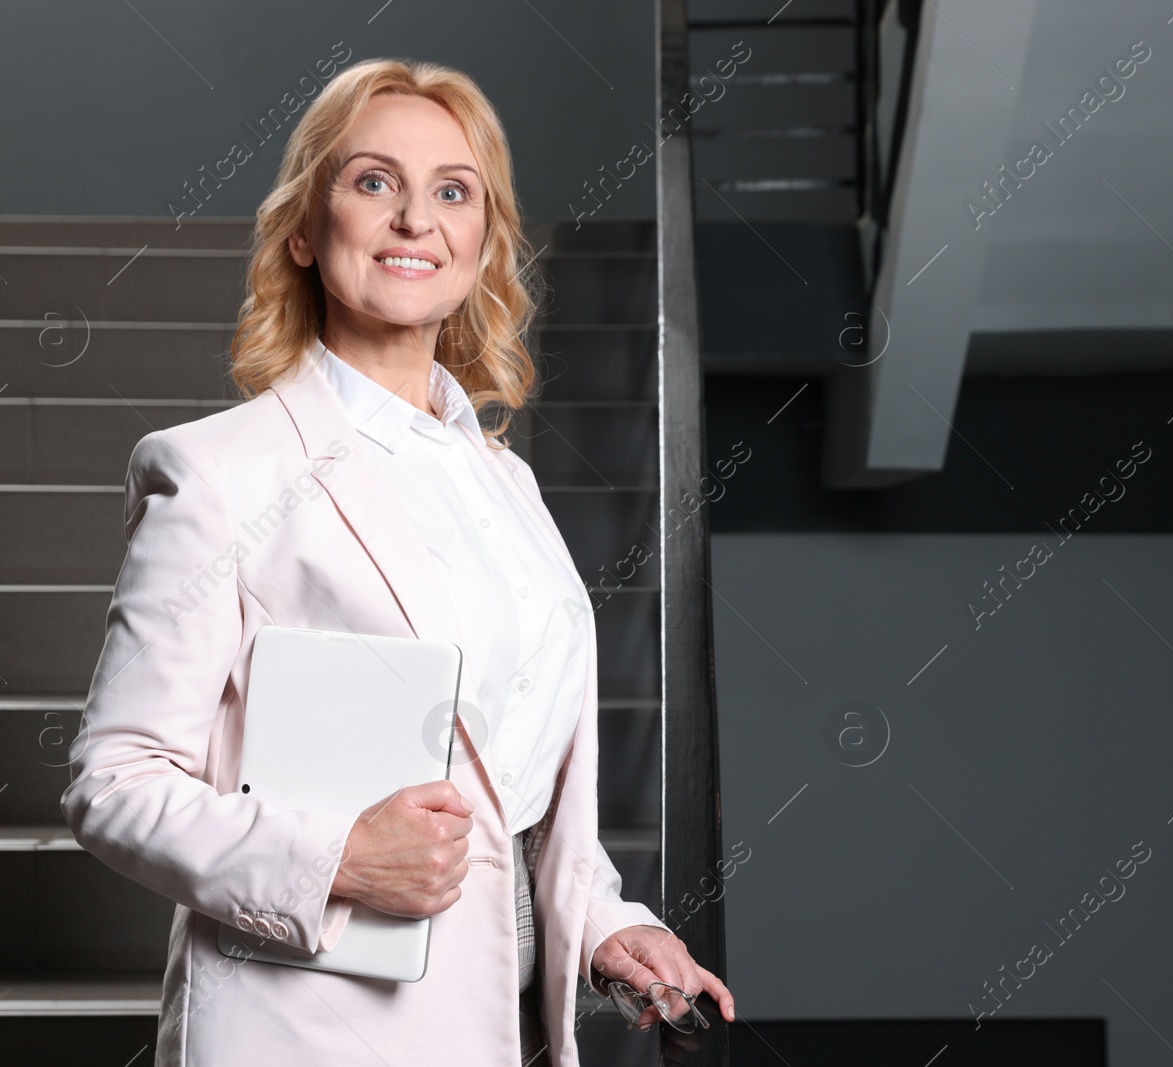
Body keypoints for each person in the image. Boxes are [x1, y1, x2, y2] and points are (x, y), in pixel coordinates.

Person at [60, 57, 733, 1066]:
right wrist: (337, 856)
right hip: (301, 1032)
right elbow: (111, 783)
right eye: (373, 181)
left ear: (479, 245)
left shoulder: (506, 485)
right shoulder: (216, 472)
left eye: (452, 192)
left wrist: (601, 924)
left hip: (495, 1035)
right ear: (302, 226)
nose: (415, 218)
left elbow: (510, 782)